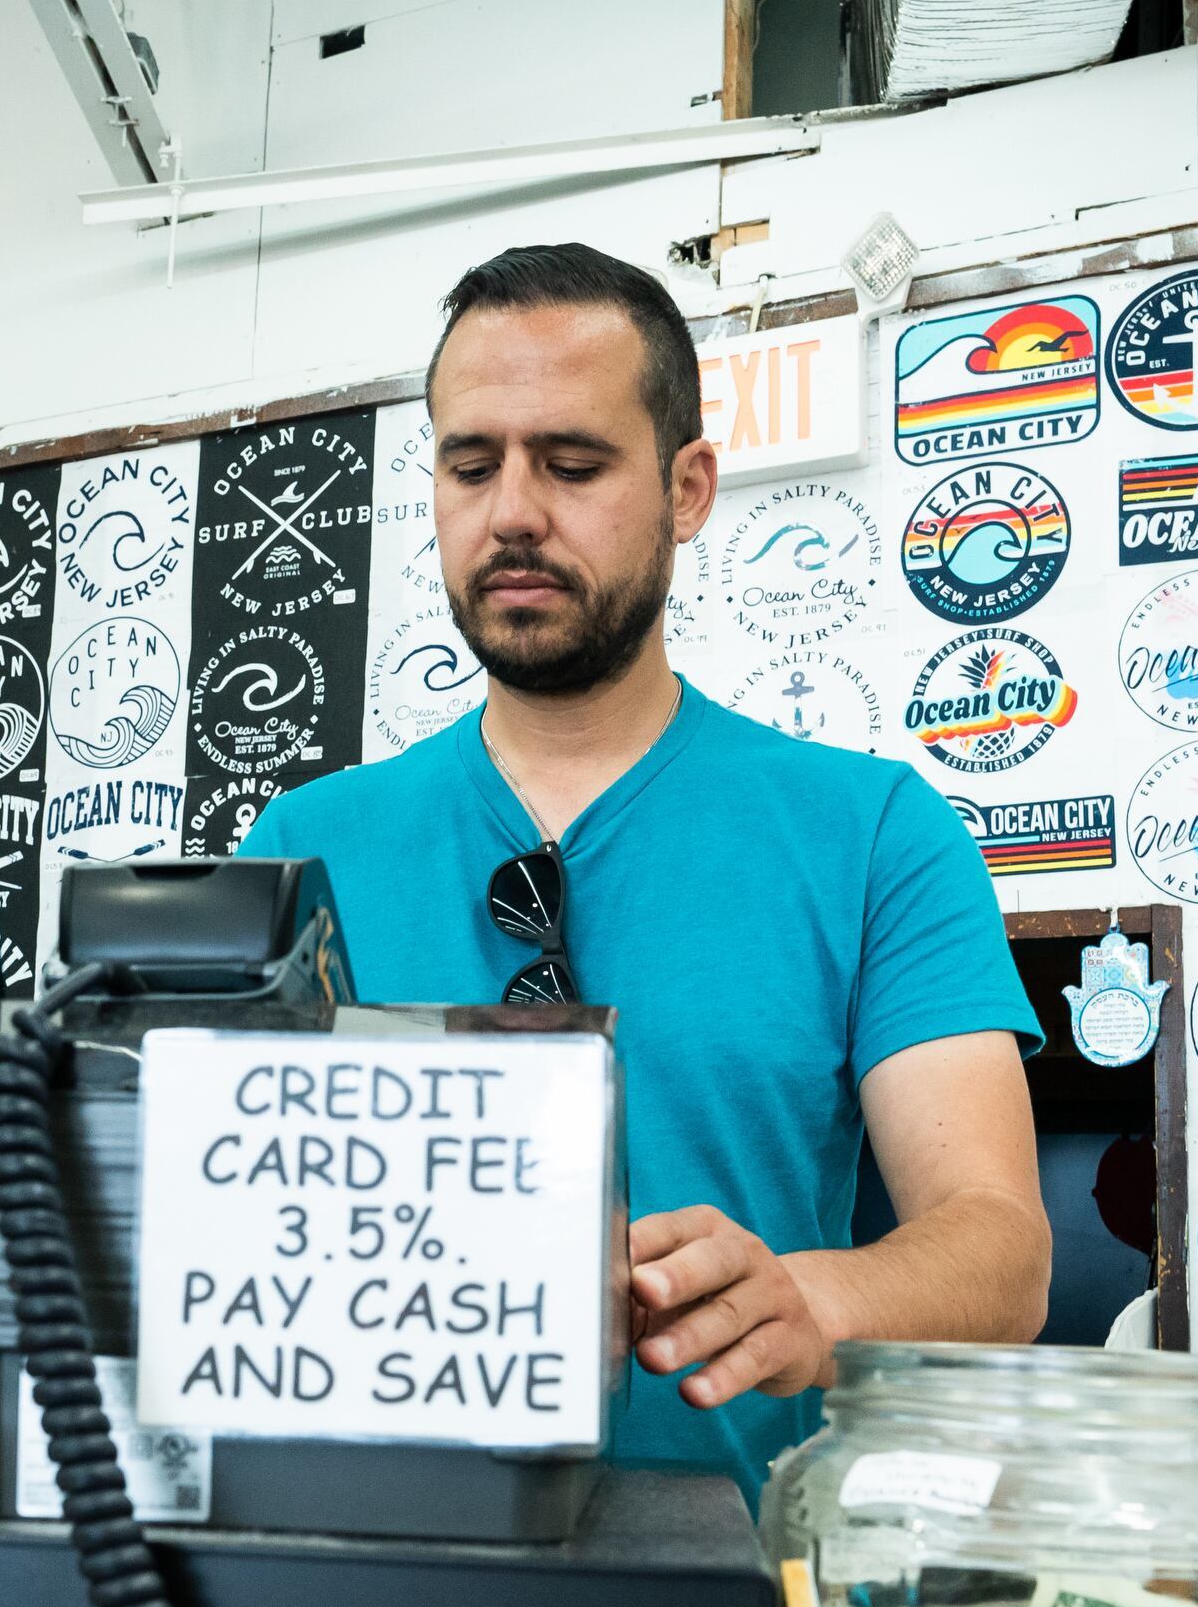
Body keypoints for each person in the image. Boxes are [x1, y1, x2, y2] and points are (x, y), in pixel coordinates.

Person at [239, 242, 1050, 1497]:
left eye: (571, 464)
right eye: (471, 465)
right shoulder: (304, 844)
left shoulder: (875, 832)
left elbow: (1000, 1254)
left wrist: (812, 1300)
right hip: (358, 1585)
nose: (513, 510)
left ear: (687, 490)